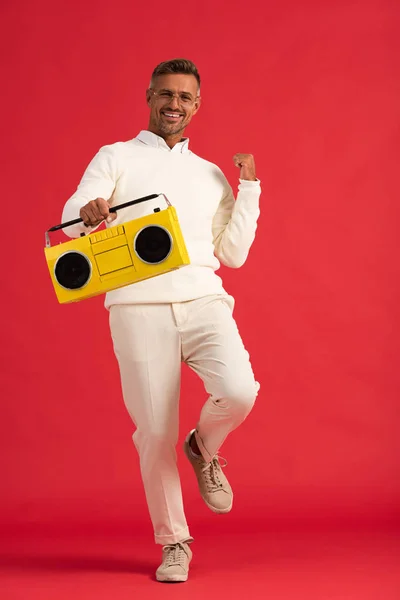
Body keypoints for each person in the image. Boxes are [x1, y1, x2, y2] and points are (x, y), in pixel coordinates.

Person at [61, 58, 261, 583]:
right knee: (153, 432)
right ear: (150, 96)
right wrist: (90, 210)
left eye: (185, 97)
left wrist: (250, 190)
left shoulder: (211, 173)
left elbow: (233, 254)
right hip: (137, 306)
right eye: (166, 94)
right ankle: (175, 543)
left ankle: (204, 446)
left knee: (239, 391)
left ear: (198, 105)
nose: (175, 104)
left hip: (202, 300)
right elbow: (74, 210)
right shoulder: (116, 155)